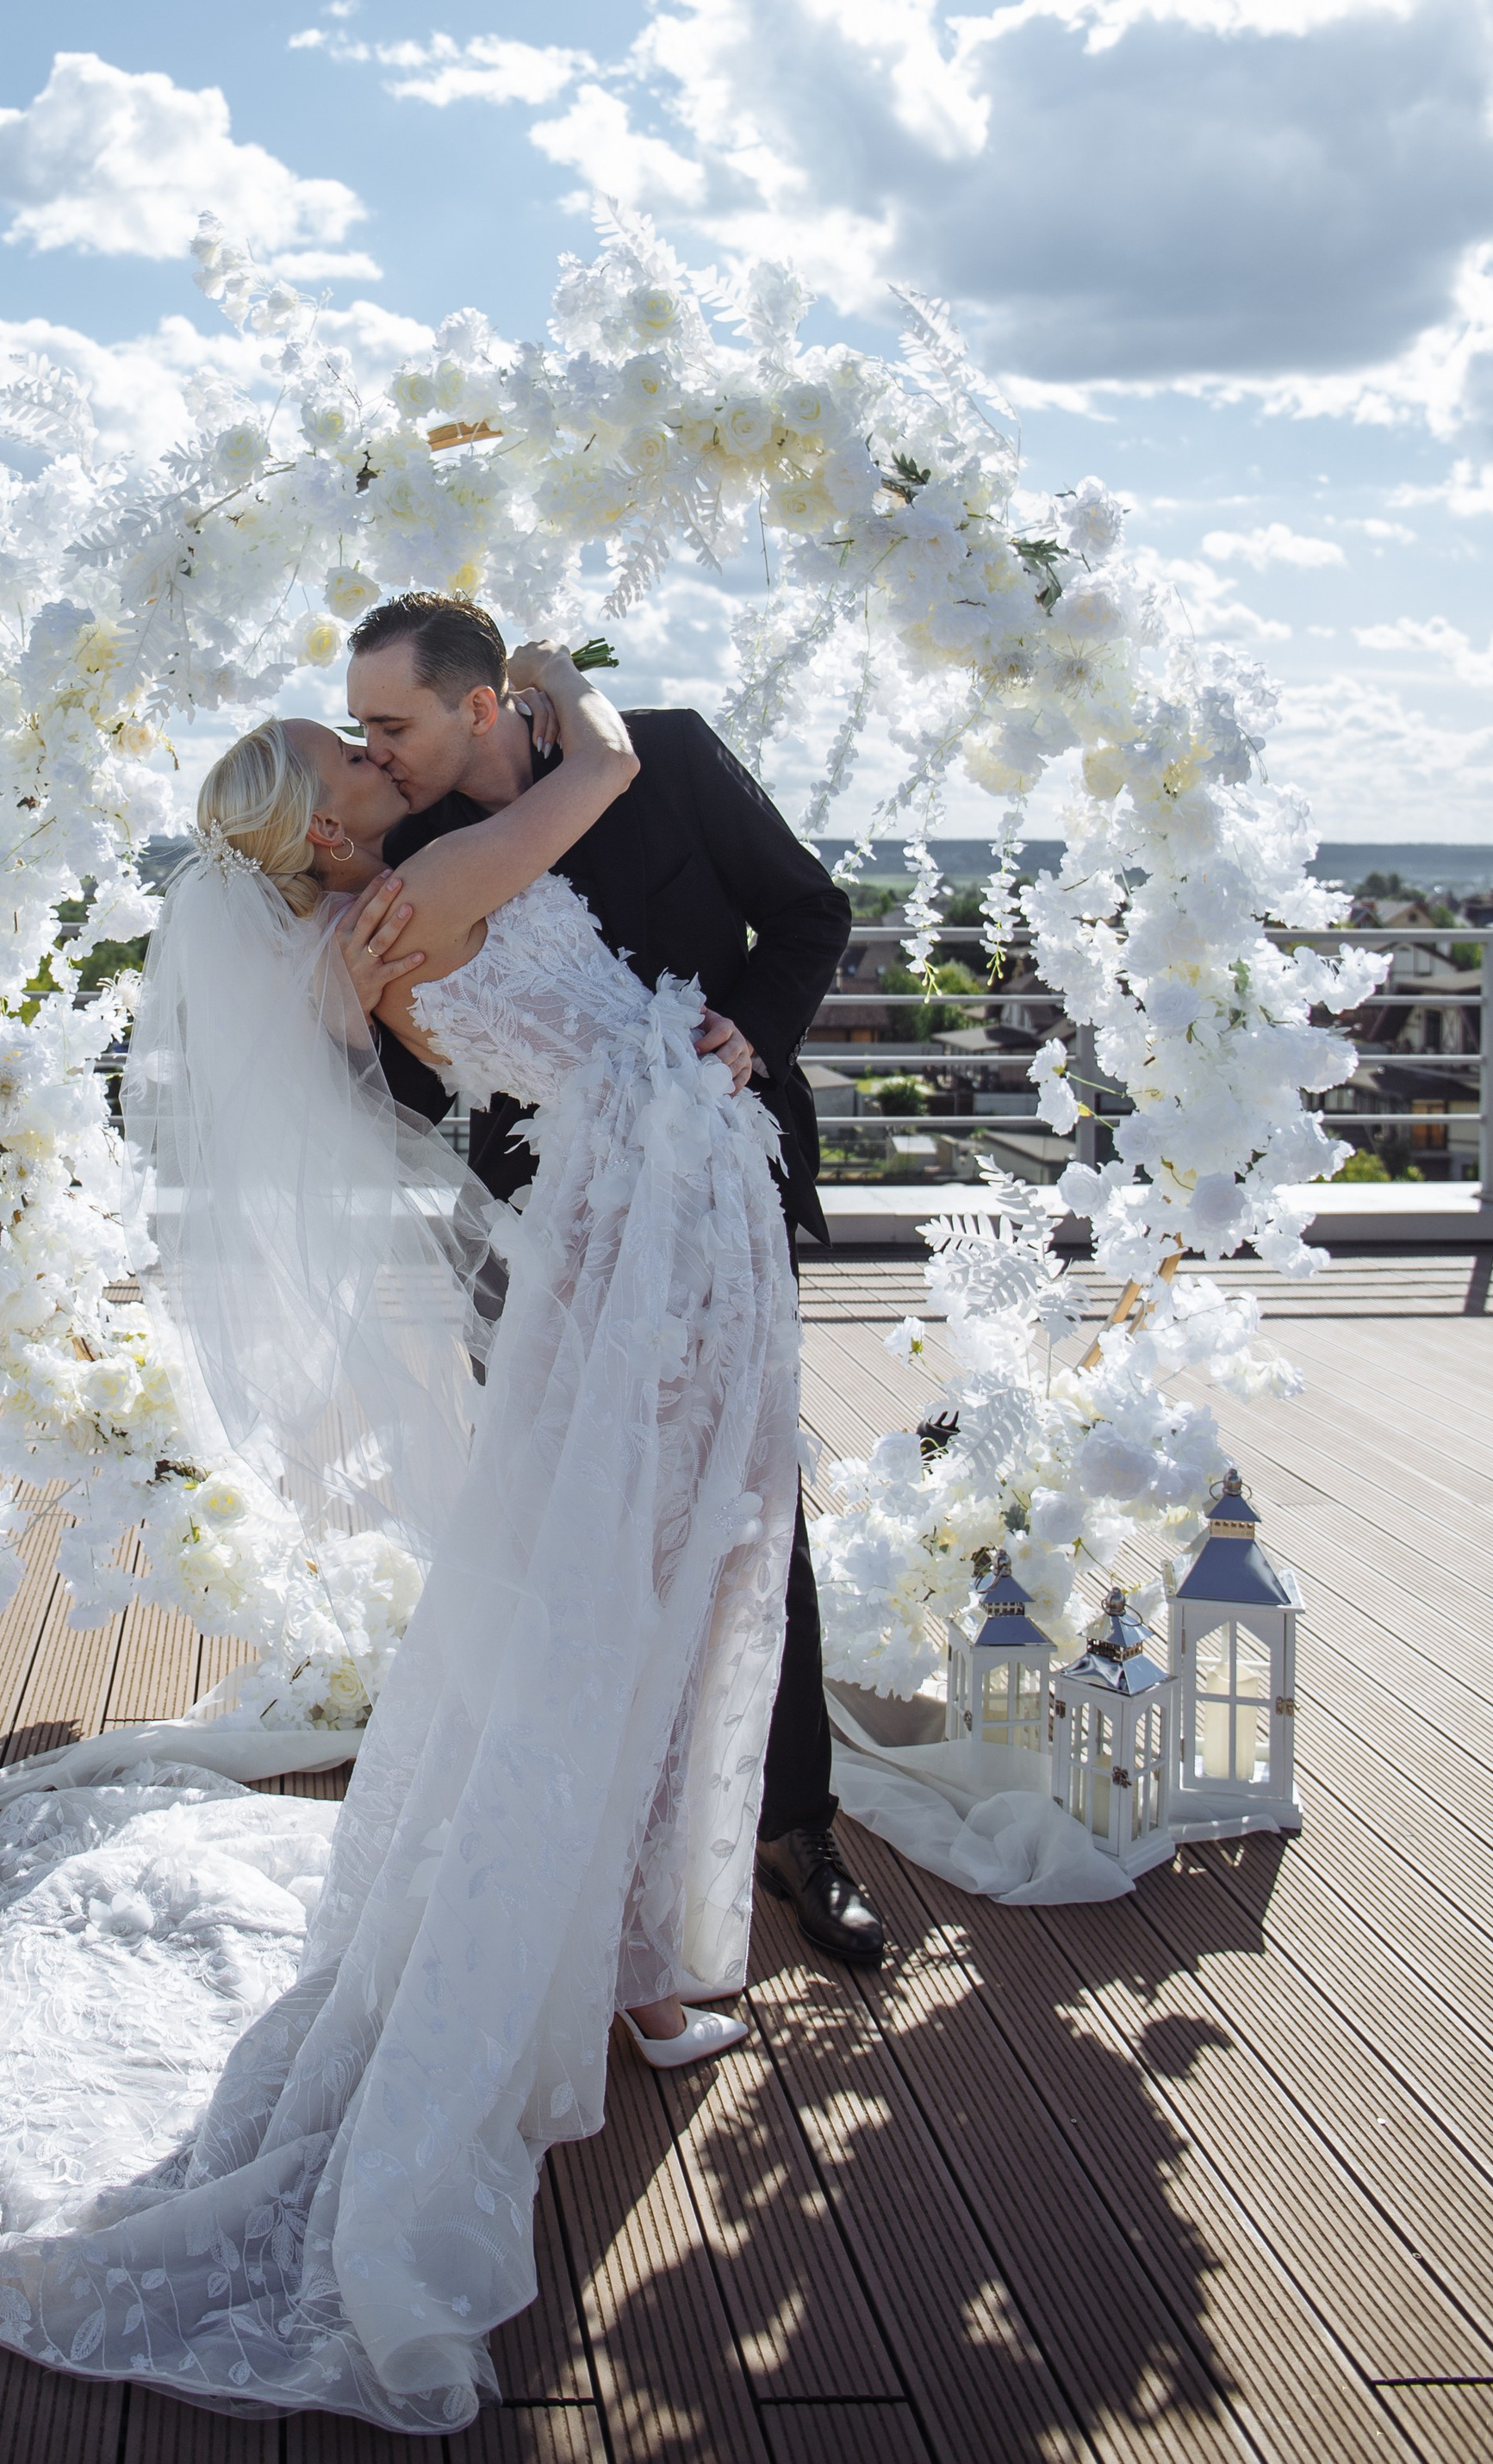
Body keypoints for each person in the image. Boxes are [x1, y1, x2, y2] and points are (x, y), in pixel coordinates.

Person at [0, 650, 801, 2434]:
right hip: (652, 1244)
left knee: (626, 1596)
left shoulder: (365, 936)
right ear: (325, 823)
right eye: (339, 751)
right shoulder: (432, 888)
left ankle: (635, 1955)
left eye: (373, 730)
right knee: (654, 1594)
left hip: (645, 1229)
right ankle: (639, 1970)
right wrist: (556, 684)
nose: (368, 753)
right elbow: (587, 772)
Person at [348, 591, 882, 1969]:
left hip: (724, 1191)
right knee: (563, 1522)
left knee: (755, 1505)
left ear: (480, 705)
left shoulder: (675, 752)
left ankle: (791, 1829)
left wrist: (753, 1036)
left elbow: (809, 915)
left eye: (392, 721)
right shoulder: (408, 849)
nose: (378, 749)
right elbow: (421, 1076)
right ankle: (581, 1834)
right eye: (360, 729)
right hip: (548, 1231)